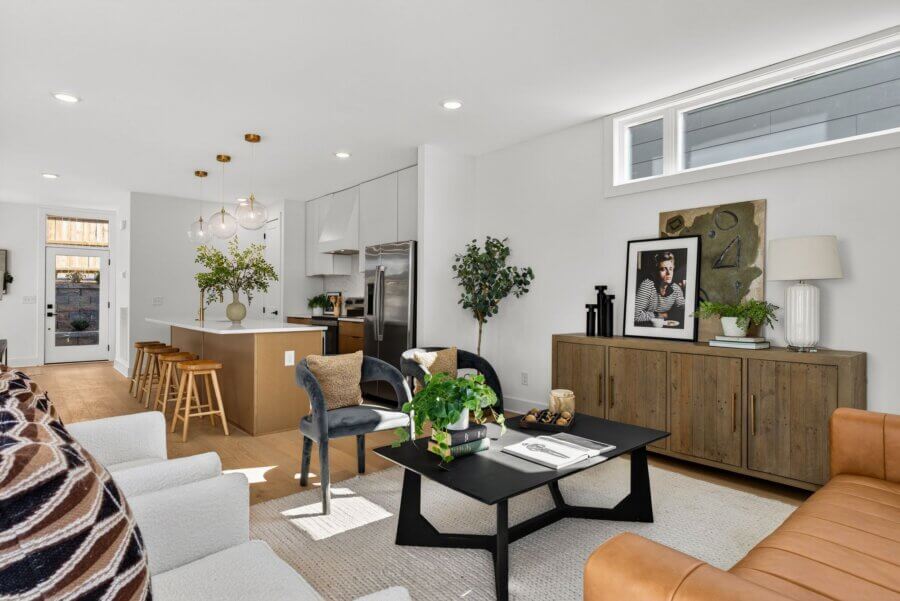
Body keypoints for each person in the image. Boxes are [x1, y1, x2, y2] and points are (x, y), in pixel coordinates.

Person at [634, 251, 685, 324]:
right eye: (663, 269)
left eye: (670, 269)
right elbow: (635, 315)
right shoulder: (648, 285)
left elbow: (684, 311)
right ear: (656, 271)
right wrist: (660, 315)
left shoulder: (676, 288)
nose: (668, 273)